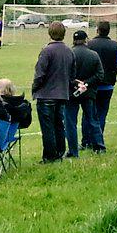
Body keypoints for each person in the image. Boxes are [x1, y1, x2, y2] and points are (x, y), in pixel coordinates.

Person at [32, 21, 76, 163]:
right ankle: (59, 152)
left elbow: (40, 74)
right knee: (59, 125)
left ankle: (49, 156)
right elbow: (72, 75)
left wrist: (35, 88)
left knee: (48, 128)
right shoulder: (69, 51)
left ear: (50, 33)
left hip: (46, 95)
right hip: (62, 94)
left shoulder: (46, 51)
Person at [65, 30, 105, 156]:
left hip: (71, 93)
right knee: (93, 120)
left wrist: (76, 84)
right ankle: (99, 147)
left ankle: (73, 151)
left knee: (70, 123)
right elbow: (100, 75)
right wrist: (86, 84)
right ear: (86, 39)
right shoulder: (93, 55)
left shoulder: (69, 54)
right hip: (88, 93)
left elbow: (65, 75)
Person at [87, 20, 117, 148]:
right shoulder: (114, 46)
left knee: (89, 113)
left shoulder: (89, 44)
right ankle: (98, 138)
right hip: (108, 85)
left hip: (92, 85)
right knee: (102, 113)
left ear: (97, 30)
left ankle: (87, 140)